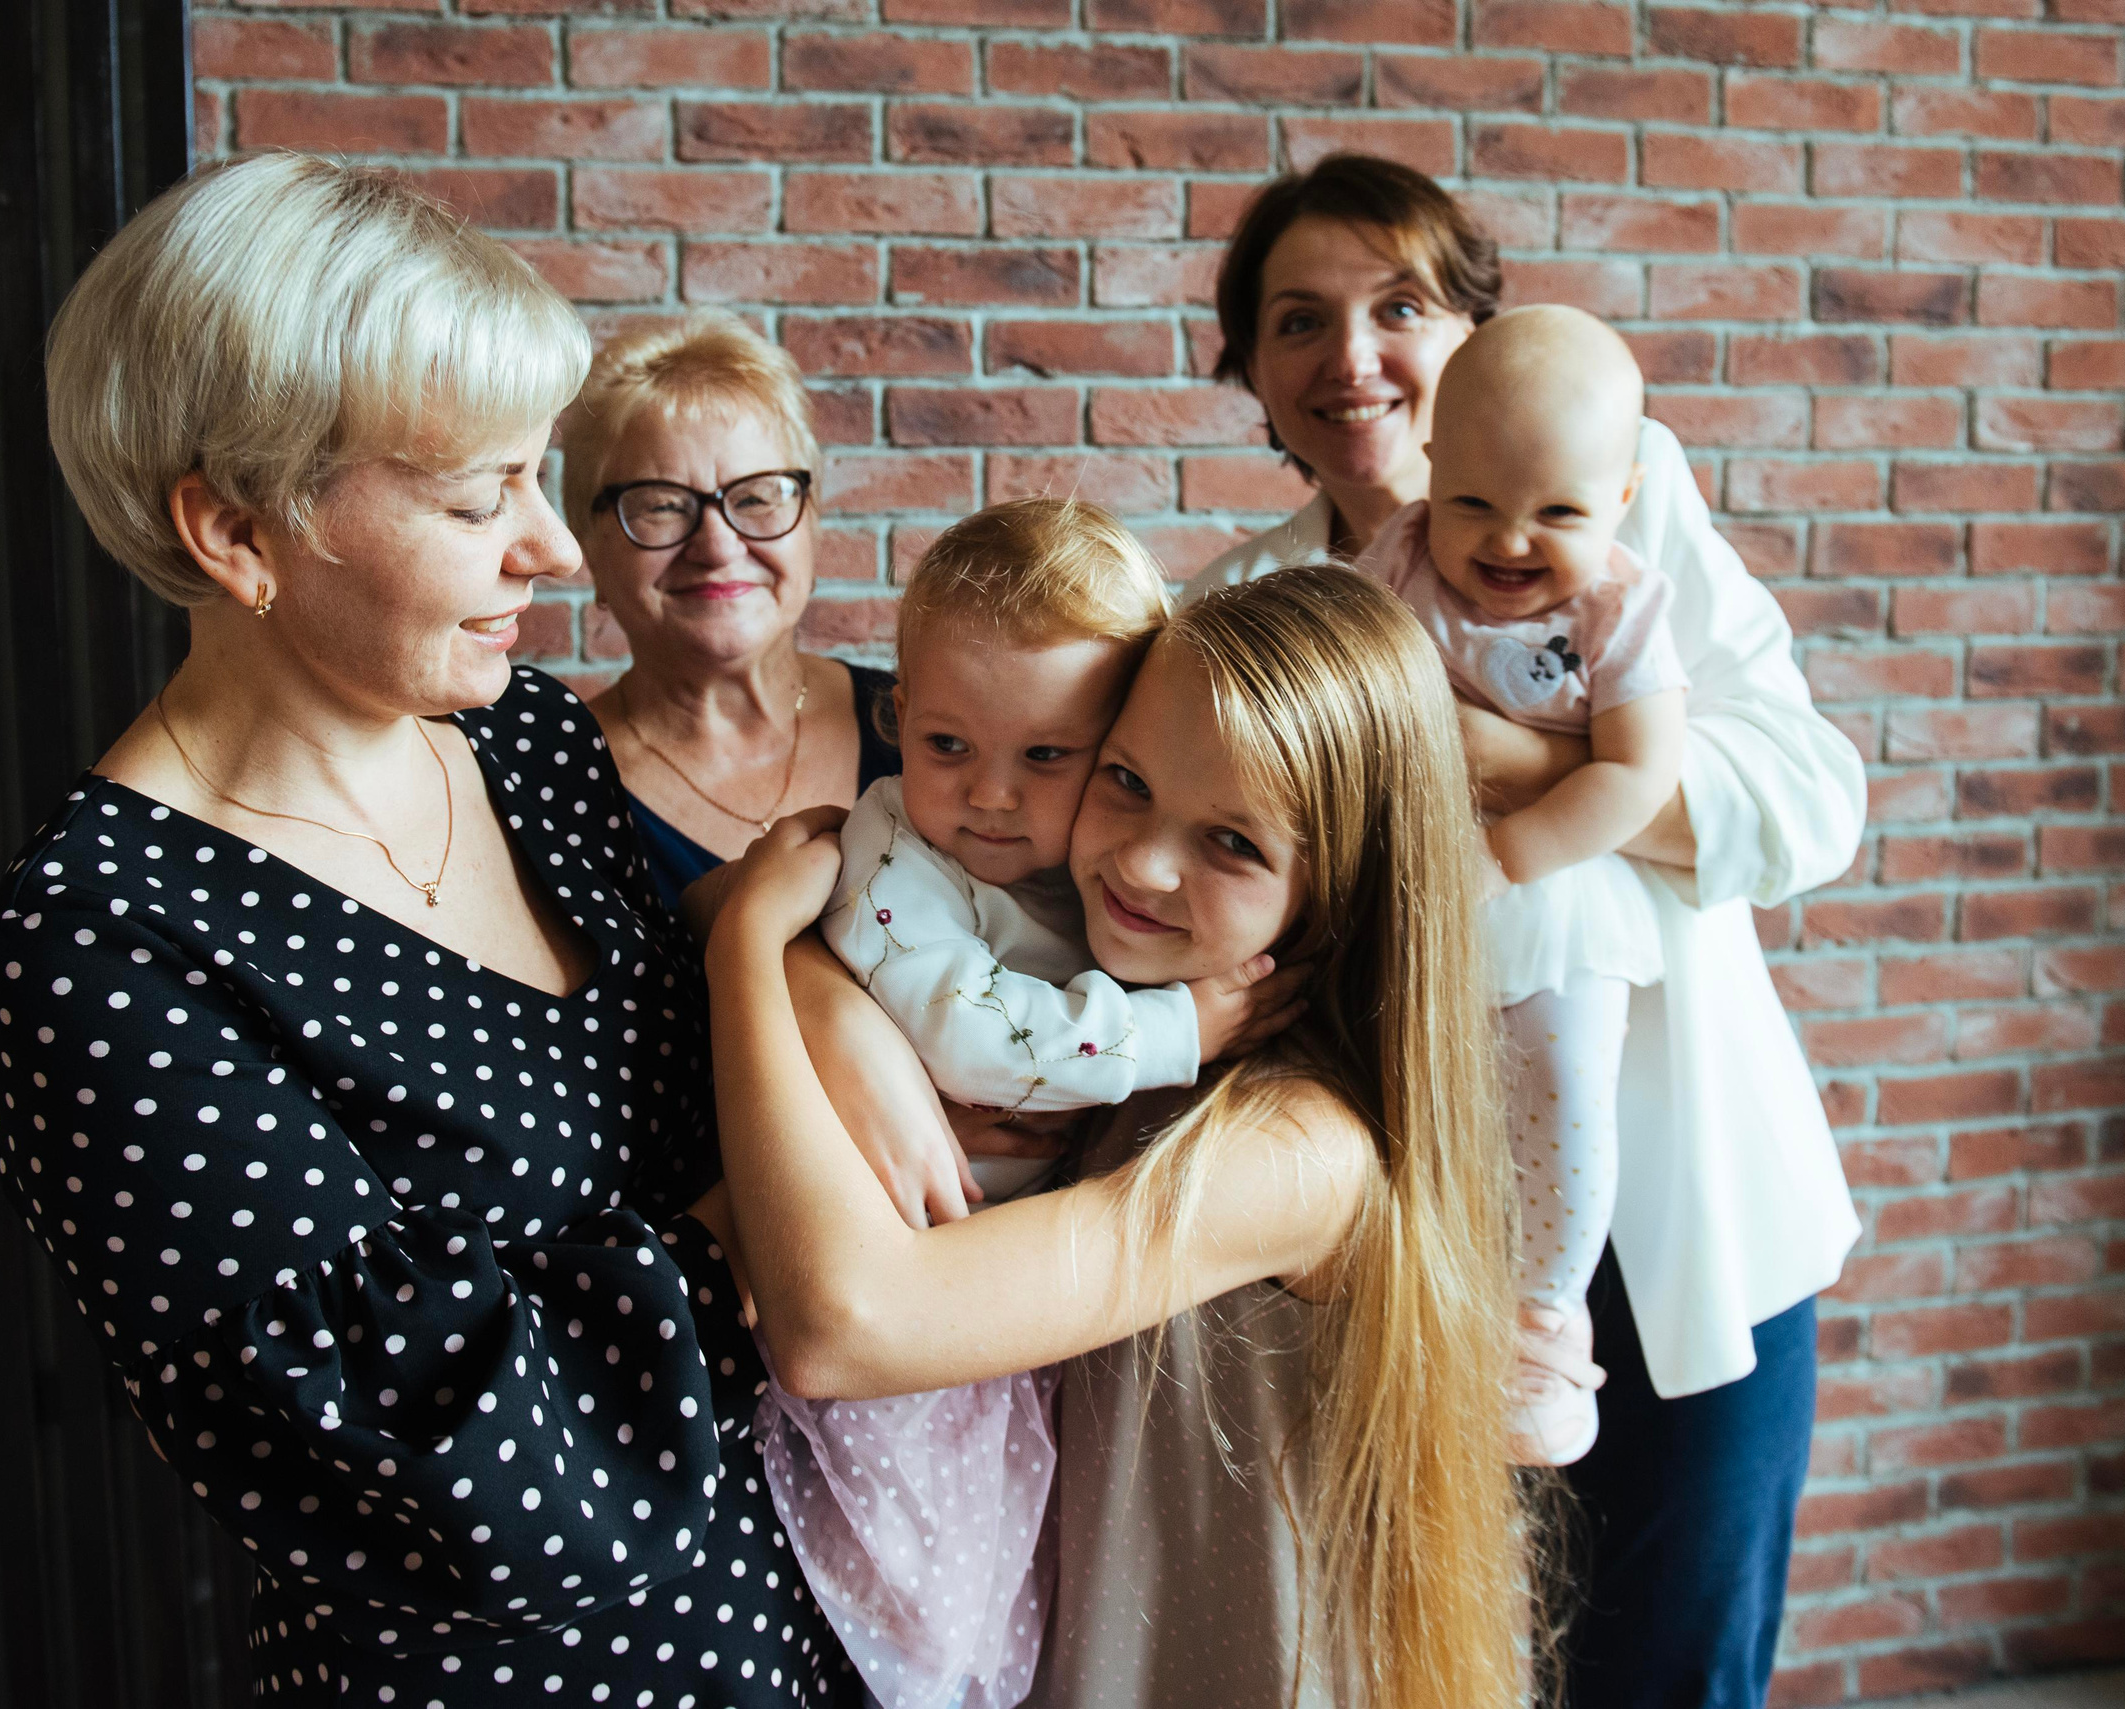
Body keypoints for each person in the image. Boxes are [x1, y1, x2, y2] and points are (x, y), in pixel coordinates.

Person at [0, 151, 849, 1704]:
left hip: (774, 1612)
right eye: (473, 496)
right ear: (237, 532)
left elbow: (716, 1081)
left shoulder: (526, 744)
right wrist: (790, 1233)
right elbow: (442, 1449)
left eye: (536, 473)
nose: (557, 550)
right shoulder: (102, 936)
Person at [1193, 152, 1865, 1709]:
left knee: (1677, 1668)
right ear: (1252, 374)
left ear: (1476, 340)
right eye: (1297, 321)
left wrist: (1524, 764)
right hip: (1421, 1234)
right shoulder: (1250, 607)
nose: (1350, 357)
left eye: (1398, 306)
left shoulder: (1632, 500)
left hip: (1696, 1208)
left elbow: (1810, 802)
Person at [701, 562, 1547, 1709]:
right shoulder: (1100, 998)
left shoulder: (1294, 1146)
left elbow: (842, 1325)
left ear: (1343, 889)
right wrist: (829, 997)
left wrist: (753, 949)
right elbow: (752, 886)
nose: (1142, 863)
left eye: (1233, 843)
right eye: (1125, 780)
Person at [760, 498, 1299, 1709]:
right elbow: (973, 1036)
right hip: (897, 1288)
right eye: (948, 745)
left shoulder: (1088, 875)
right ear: (897, 718)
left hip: (1003, 1313)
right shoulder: (897, 857)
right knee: (916, 1607)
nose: (992, 795)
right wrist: (1184, 1025)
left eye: (1048, 757)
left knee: (1005, 1583)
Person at [1345, 306, 1687, 1465]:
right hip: (1415, 898)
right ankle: (1423, 1319)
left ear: (1624, 498)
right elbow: (1348, 695)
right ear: (1429, 470)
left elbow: (1639, 773)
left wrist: (1511, 851)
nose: (1509, 540)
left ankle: (1543, 1326)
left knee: (1559, 1093)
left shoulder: (1618, 608)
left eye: (1559, 511)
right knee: (1409, 1104)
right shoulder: (1391, 561)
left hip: (1549, 894)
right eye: (1475, 502)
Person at [563, 314, 895, 915]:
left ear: (813, 522)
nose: (716, 546)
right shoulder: (547, 794)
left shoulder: (919, 731)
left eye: (755, 498)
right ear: (587, 544)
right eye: (662, 506)